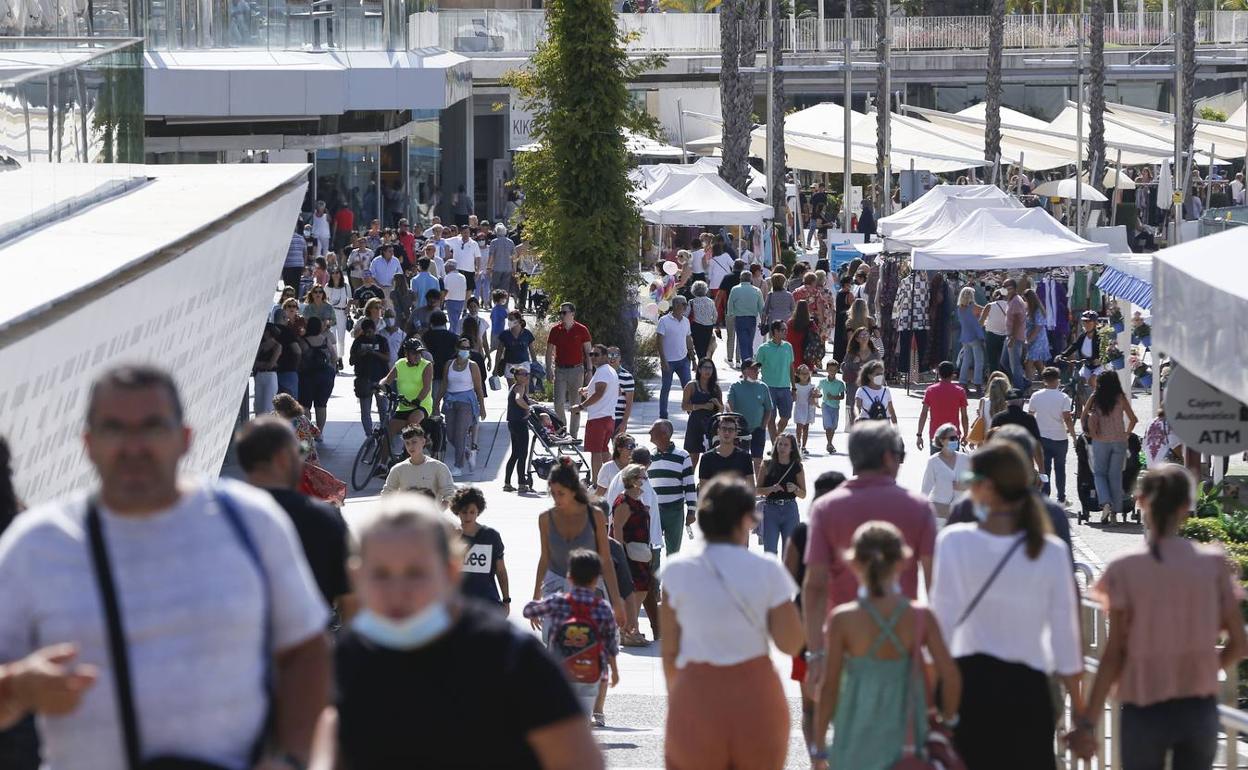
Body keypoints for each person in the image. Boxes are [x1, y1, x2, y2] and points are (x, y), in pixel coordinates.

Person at [0, 365, 330, 770]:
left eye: (153, 427)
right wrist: (16, 687)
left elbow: (306, 652)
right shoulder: (36, 545)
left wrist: (293, 759)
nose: (134, 445)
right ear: (88, 443)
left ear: (185, 438)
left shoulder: (250, 523)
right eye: (114, 428)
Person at [308, 497, 602, 769]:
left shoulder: (512, 658)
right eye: (380, 574)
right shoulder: (352, 655)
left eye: (415, 573)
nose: (398, 592)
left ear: (450, 571)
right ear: (357, 577)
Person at [1071, 465, 1248, 769]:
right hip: (1198, 706)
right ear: (1186, 506)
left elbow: (1114, 653)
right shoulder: (1213, 565)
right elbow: (1240, 643)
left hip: (1143, 707)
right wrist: (1208, 669)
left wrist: (1089, 721)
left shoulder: (1125, 568)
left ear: (1140, 501)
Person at [930, 441, 1083, 770]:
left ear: (985, 486)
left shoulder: (954, 542)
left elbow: (939, 630)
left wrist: (929, 699)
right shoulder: (1050, 550)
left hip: (970, 688)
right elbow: (1065, 642)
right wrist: (1082, 716)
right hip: (1030, 691)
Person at [660, 477, 804, 770]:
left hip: (696, 688)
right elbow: (791, 642)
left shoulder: (675, 571)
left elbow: (670, 651)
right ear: (746, 519)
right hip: (755, 689)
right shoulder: (767, 569)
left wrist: (681, 697)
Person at [811, 521, 961, 770]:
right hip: (908, 736)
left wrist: (818, 747)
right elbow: (951, 676)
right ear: (902, 562)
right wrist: (948, 723)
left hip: (854, 736)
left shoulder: (843, 619)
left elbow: (829, 687)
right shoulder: (920, 616)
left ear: (854, 563)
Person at [802, 421, 937, 692]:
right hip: (901, 641)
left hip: (844, 643)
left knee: (849, 728)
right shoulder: (919, 507)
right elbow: (935, 584)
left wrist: (815, 653)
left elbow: (814, 586)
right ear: (888, 457)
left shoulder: (826, 508)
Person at [236, 416, 353, 622]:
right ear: (283, 458)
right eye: (300, 451)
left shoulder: (220, 516)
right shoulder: (322, 518)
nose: (303, 459)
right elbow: (351, 602)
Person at [524, 548, 621, 728]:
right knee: (582, 722)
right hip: (590, 673)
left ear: (569, 577)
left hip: (560, 670)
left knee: (558, 718)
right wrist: (613, 671)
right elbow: (610, 643)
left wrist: (541, 595)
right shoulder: (602, 607)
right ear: (596, 579)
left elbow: (528, 610)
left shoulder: (559, 601)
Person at [532, 458, 626, 639]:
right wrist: (536, 597)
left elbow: (605, 560)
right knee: (552, 636)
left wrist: (617, 602)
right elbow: (545, 558)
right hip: (556, 582)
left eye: (561, 493)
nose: (556, 498)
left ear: (573, 491)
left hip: (588, 582)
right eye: (553, 493)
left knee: (596, 638)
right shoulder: (545, 518)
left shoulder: (595, 516)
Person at [1083, 370, 1139, 524]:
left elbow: (1083, 416)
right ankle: (1115, 513)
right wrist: (1126, 434)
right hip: (1119, 441)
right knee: (1115, 475)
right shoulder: (1121, 397)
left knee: (1099, 474)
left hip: (1100, 440)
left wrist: (1090, 432)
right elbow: (1133, 419)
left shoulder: (1095, 397)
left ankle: (1106, 502)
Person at [610, 464, 655, 647]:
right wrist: (620, 557)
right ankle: (627, 630)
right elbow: (617, 529)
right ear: (633, 480)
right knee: (635, 590)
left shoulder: (637, 500)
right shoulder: (623, 502)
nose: (645, 480)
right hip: (629, 554)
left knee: (642, 589)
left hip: (640, 553)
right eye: (643, 477)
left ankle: (629, 627)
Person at [451, 486, 510, 613]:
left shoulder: (491, 535)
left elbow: (501, 570)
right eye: (464, 512)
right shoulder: (450, 536)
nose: (468, 516)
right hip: (460, 604)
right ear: (457, 512)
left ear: (478, 511)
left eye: (472, 512)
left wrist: (506, 600)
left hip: (487, 601)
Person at [436, 336, 487, 476]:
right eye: (462, 347)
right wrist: (436, 402)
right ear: (457, 348)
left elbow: (478, 388)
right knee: (450, 434)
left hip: (466, 402)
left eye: (467, 348)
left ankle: (458, 465)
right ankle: (466, 451)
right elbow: (444, 384)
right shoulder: (449, 364)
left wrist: (482, 407)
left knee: (460, 433)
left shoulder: (472, 365)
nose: (465, 350)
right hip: (451, 401)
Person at [648, 419, 698, 556]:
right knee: (653, 550)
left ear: (664, 434)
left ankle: (672, 576)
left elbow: (689, 485)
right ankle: (654, 577)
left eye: (653, 430)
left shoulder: (683, 456)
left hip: (674, 511)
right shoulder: (650, 457)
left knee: (674, 552)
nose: (649, 432)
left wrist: (691, 511)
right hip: (654, 510)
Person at [1027, 366, 1076, 503]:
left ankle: (1045, 496)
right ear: (1057, 380)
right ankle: (1061, 497)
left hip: (1042, 437)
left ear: (1044, 380)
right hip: (1060, 437)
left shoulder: (1036, 396)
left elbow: (1030, 415)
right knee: (1060, 469)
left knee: (1044, 468)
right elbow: (1067, 418)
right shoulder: (1063, 397)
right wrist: (1073, 436)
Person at [547, 302, 593, 441]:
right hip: (560, 369)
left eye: (564, 312)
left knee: (576, 403)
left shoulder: (582, 329)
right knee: (558, 403)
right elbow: (549, 351)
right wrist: (548, 368)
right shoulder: (555, 330)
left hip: (577, 370)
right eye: (560, 313)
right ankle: (562, 430)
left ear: (572, 313)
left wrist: (589, 370)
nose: (561, 315)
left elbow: (588, 351)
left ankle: (573, 435)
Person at [756, 433, 806, 555]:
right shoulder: (767, 464)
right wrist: (771, 489)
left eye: (786, 445)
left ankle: (786, 575)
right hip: (770, 509)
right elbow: (757, 490)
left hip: (790, 510)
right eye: (780, 444)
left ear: (792, 448)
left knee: (789, 552)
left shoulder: (797, 466)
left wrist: (795, 489)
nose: (782, 447)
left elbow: (803, 494)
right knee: (770, 551)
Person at [381, 424, 455, 506]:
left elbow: (449, 494)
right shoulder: (398, 469)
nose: (411, 446)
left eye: (414, 442)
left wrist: (437, 512)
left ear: (423, 442)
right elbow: (387, 494)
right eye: (407, 443)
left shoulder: (438, 467)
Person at [726, 360, 773, 474]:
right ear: (745, 371)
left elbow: (768, 408)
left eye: (757, 369)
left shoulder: (763, 387)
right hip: (740, 429)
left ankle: (758, 488)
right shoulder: (735, 386)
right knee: (740, 460)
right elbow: (728, 404)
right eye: (753, 369)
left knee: (758, 460)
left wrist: (763, 425)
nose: (757, 371)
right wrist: (733, 419)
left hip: (758, 429)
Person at [916, 360, 969, 453]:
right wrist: (966, 434)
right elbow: (964, 416)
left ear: (939, 374)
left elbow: (924, 413)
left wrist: (919, 435)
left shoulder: (930, 390)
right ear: (953, 374)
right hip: (953, 435)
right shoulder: (960, 391)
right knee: (952, 465)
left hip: (935, 435)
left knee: (936, 464)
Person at [656, 297, 695, 420]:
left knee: (688, 387)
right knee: (666, 387)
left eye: (686, 304)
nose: (685, 307)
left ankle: (691, 413)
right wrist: (663, 360)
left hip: (683, 360)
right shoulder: (664, 320)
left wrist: (693, 359)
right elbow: (659, 341)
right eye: (683, 304)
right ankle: (663, 415)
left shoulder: (686, 321)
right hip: (669, 361)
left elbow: (688, 339)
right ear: (676, 305)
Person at [920, 423, 971, 518]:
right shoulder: (933, 461)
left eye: (957, 438)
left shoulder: (965, 459)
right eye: (952, 438)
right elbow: (925, 489)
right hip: (939, 513)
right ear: (941, 440)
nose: (955, 441)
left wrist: (964, 486)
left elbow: (975, 484)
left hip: (960, 514)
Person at [756, 320, 796, 441]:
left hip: (785, 387)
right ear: (775, 332)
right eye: (783, 330)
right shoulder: (763, 348)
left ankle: (777, 437)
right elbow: (756, 367)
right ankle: (775, 445)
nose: (786, 332)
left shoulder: (788, 346)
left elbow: (791, 367)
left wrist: (794, 388)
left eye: (786, 329)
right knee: (770, 418)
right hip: (769, 388)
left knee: (786, 417)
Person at [297, 317, 336, 437]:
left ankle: (308, 432)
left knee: (305, 405)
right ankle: (319, 433)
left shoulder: (303, 341)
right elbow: (334, 356)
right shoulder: (325, 339)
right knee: (321, 405)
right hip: (325, 376)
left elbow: (298, 358)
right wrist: (332, 370)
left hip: (307, 376)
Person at [697, 415, 756, 487]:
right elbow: (703, 489)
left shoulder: (745, 457)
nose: (727, 433)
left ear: (736, 433)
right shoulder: (706, 458)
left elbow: (751, 488)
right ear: (718, 431)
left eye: (731, 430)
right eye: (724, 429)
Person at [504, 364, 534, 493]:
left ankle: (507, 483)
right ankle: (522, 483)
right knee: (523, 453)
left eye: (527, 374)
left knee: (515, 453)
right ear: (517, 376)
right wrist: (528, 408)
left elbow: (522, 398)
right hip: (520, 424)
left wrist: (532, 402)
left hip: (512, 423)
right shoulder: (520, 387)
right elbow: (518, 399)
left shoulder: (515, 387)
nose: (527, 377)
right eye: (524, 374)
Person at [1059, 309, 1104, 391]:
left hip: (1099, 366)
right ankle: (1082, 403)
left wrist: (1100, 360)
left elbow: (1105, 351)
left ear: (1095, 323)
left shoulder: (1100, 337)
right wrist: (1062, 355)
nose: (1087, 324)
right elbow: (1074, 346)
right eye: (1085, 322)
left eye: (1089, 322)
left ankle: (1097, 402)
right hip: (1087, 365)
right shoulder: (1082, 336)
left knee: (1092, 381)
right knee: (1079, 384)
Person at [726, 269, 764, 363]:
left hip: (740, 319)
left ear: (740, 278)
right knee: (749, 343)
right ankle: (749, 361)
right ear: (750, 279)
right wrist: (763, 321)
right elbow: (761, 308)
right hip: (752, 319)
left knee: (743, 342)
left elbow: (730, 304)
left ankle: (746, 364)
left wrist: (730, 313)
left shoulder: (735, 289)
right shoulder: (757, 291)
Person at [956, 285, 987, 392]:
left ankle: (962, 382)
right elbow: (986, 311)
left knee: (966, 361)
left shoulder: (960, 309)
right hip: (975, 337)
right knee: (979, 361)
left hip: (964, 337)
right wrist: (982, 337)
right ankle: (978, 383)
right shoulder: (974, 307)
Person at [853, 360, 897, 425]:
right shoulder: (862, 390)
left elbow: (891, 411)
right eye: (877, 374)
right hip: (866, 425)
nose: (880, 376)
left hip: (884, 426)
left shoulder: (886, 390)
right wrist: (857, 416)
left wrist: (896, 429)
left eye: (882, 374)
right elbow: (857, 406)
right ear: (869, 376)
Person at [818, 359, 846, 454]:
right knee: (828, 426)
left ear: (837, 370)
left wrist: (834, 397)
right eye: (830, 370)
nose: (832, 372)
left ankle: (830, 442)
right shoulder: (822, 382)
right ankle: (829, 443)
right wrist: (816, 395)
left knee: (833, 427)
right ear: (827, 370)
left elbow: (842, 396)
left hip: (835, 407)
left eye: (834, 370)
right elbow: (817, 390)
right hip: (825, 406)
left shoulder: (840, 383)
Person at [1022, 288, 1050, 382]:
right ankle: (1050, 381)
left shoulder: (1038, 310)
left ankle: (1028, 385)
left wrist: (1028, 340)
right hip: (1032, 339)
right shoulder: (1029, 309)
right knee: (1039, 364)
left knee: (1028, 362)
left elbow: (1037, 328)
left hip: (1038, 340)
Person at [688, 280, 718, 363]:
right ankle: (704, 362)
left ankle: (701, 362)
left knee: (698, 346)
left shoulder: (692, 302)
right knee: (706, 346)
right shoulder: (711, 301)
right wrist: (712, 322)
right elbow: (715, 315)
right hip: (708, 326)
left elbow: (686, 315)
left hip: (696, 326)